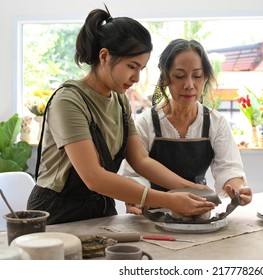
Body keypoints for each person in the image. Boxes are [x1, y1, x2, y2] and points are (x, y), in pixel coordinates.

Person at [26, 7, 215, 225]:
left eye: (141, 69)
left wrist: (190, 188)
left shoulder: (120, 100)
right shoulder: (68, 101)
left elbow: (141, 160)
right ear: (104, 56)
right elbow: (94, 177)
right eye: (131, 67)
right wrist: (169, 200)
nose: (136, 77)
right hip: (56, 211)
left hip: (100, 206)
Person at [119, 39, 252, 215]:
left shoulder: (215, 122)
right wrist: (135, 197)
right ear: (166, 78)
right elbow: (136, 174)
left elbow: (228, 168)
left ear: (205, 78)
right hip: (154, 215)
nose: (189, 85)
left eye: (197, 76)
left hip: (200, 211)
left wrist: (238, 189)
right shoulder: (146, 123)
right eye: (180, 76)